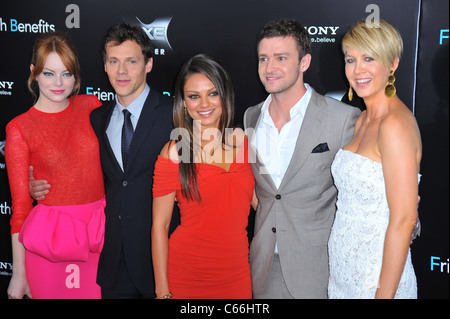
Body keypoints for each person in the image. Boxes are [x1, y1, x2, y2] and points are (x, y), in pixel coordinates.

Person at [29, 23, 177, 299]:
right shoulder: (96, 118)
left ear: (148, 64)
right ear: (105, 66)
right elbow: (74, 167)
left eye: (131, 61)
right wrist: (35, 181)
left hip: (163, 260)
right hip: (111, 261)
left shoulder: (173, 114)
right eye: (113, 61)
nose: (121, 71)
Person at [243, 18, 360, 298]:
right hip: (262, 267)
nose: (269, 68)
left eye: (281, 58)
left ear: (304, 62)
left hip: (318, 269)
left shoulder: (342, 119)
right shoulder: (251, 116)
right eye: (263, 59)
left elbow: (356, 197)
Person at [5, 31, 105, 299]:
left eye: (67, 73)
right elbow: (20, 210)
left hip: (96, 239)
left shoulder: (91, 106)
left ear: (76, 75)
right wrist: (19, 273)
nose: (59, 83)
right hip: (48, 247)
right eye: (49, 73)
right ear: (34, 73)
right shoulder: (20, 128)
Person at [327, 19, 422, 299]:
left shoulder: (395, 125)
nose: (358, 70)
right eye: (350, 59)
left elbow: (404, 219)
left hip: (377, 283)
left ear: (392, 64)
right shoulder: (362, 120)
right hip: (343, 277)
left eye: (369, 58)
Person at [152, 54, 256, 299]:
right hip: (186, 275)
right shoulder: (175, 151)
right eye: (194, 96)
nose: (204, 104)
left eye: (212, 93)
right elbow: (160, 226)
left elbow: (263, 203)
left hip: (237, 275)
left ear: (224, 95)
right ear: (184, 103)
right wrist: (162, 291)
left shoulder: (243, 141)